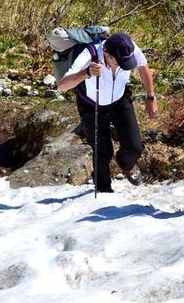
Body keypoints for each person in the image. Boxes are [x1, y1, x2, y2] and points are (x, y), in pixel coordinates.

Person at [58, 32, 157, 192]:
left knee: (135, 147)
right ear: (106, 54)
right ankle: (103, 191)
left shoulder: (128, 48)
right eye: (120, 63)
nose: (124, 65)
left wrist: (151, 97)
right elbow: (62, 86)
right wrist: (86, 73)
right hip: (92, 106)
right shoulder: (89, 54)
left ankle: (126, 164)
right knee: (102, 151)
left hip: (120, 100)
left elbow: (143, 67)